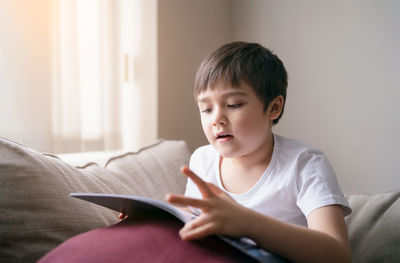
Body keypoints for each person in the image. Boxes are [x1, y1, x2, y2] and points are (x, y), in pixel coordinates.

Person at [165, 41, 352, 263]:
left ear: (273, 108)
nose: (216, 119)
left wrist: (248, 223)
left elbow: (338, 255)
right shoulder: (201, 160)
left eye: (233, 104)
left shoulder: (305, 164)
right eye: (206, 108)